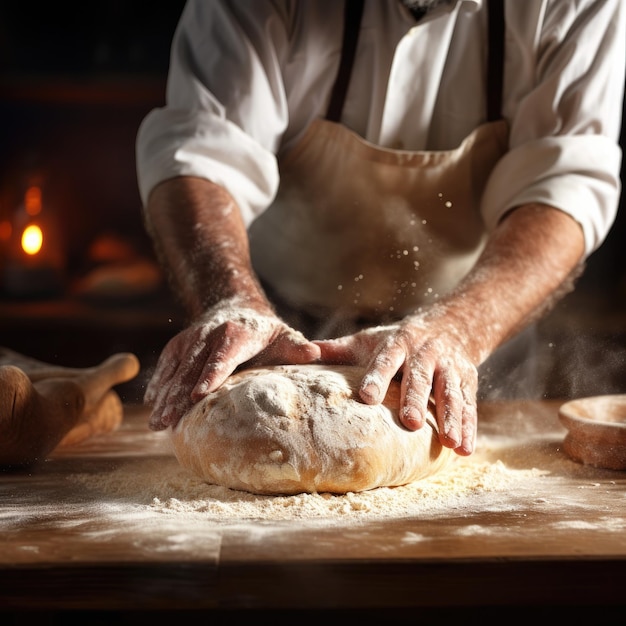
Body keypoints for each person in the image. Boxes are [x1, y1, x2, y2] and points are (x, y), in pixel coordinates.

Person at [136, 0, 625, 457]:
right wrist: (231, 298)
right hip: (277, 337)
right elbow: (202, 152)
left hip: (469, 340)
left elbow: (562, 185)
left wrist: (459, 328)